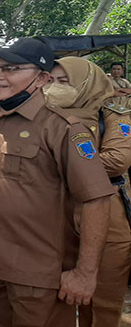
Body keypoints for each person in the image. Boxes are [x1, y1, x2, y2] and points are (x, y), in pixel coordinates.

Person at [0, 38, 114, 326]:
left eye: (10, 68)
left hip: (36, 274)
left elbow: (96, 199)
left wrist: (85, 273)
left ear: (42, 78)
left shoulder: (63, 129)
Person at [45, 56, 131, 327]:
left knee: (103, 301)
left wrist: (63, 161)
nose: (54, 88)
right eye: (51, 81)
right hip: (54, 215)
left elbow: (118, 159)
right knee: (56, 296)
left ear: (86, 83)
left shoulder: (115, 113)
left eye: (64, 82)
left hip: (108, 219)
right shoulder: (42, 116)